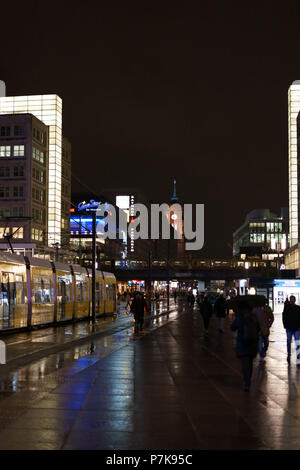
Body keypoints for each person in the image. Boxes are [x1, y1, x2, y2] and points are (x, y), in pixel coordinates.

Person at [231, 300, 259, 391]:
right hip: (253, 344)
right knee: (250, 363)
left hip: (243, 344)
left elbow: (232, 328)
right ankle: (248, 380)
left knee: (245, 364)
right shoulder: (254, 317)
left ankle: (247, 383)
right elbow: (258, 328)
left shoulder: (240, 317)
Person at [282, 295, 300, 364]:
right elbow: (284, 316)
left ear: (295, 300)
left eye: (293, 299)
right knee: (290, 342)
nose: (292, 300)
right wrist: (285, 324)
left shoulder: (297, 308)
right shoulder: (288, 308)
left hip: (295, 328)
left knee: (296, 342)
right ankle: (289, 354)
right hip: (290, 327)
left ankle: (297, 355)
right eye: (291, 299)